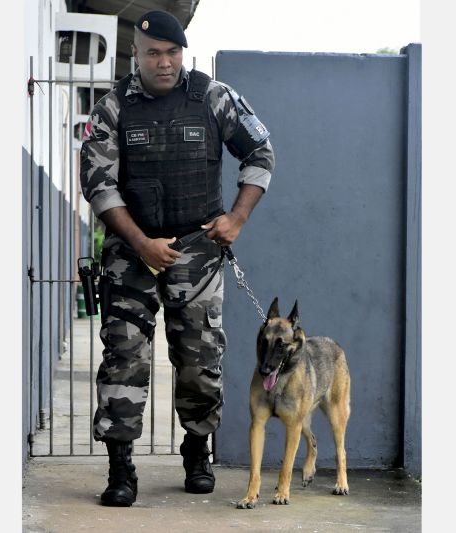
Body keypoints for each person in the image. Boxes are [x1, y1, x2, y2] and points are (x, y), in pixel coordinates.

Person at [79, 9, 275, 507]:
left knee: (200, 359)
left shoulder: (213, 98)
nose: (163, 63)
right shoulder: (112, 108)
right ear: (135, 55)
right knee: (124, 357)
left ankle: (196, 452)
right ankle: (120, 468)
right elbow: (98, 185)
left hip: (198, 254)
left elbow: (260, 153)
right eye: (152, 54)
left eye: (171, 53)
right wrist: (142, 243)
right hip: (131, 254)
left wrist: (236, 219)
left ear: (181, 53)